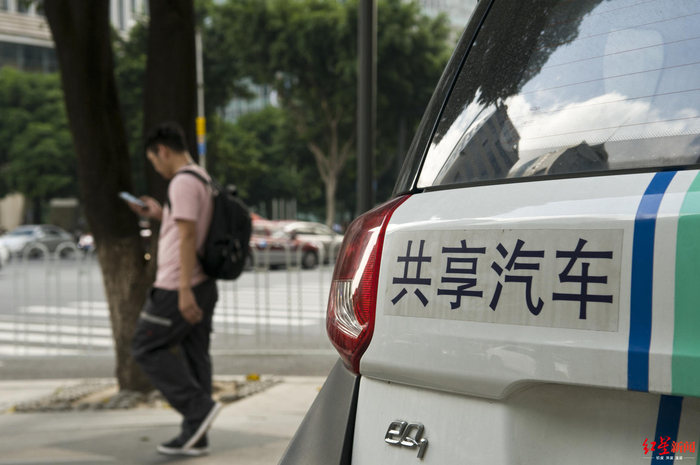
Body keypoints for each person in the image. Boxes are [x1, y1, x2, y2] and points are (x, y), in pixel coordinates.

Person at [130, 122, 221, 457]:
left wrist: (183, 290)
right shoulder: (202, 178)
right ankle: (197, 434)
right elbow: (185, 226)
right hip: (203, 283)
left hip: (177, 285)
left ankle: (198, 409)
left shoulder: (182, 182)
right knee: (196, 356)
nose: (156, 166)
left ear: (163, 150)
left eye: (154, 160)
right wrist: (159, 214)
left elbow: (187, 235)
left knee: (145, 347)